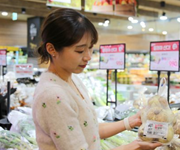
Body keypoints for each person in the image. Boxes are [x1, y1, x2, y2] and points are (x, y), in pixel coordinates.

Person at [32, 8, 161, 150]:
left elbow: (89, 130)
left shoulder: (73, 79)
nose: (88, 56)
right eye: (80, 50)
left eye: (90, 48)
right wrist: (132, 147)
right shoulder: (53, 96)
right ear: (52, 49)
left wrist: (130, 121)